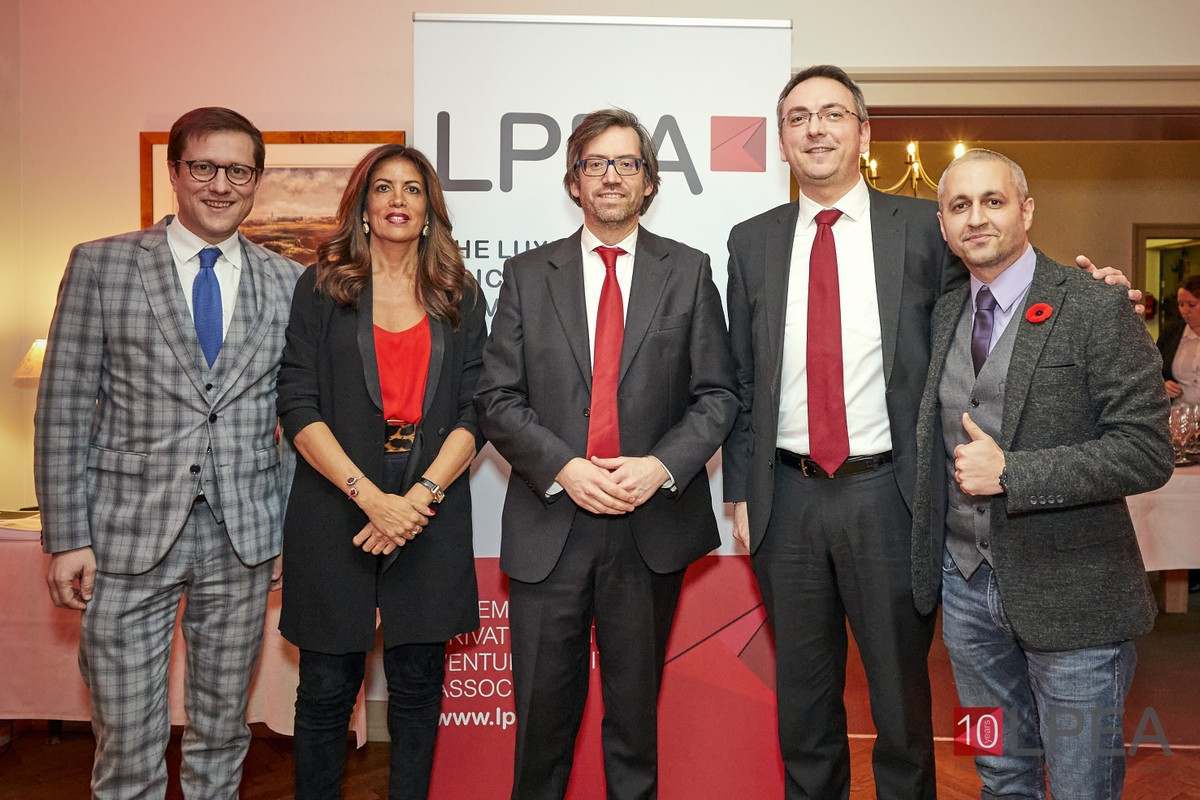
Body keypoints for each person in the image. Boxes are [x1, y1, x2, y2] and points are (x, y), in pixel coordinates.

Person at [723, 65, 1136, 799]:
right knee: (802, 704)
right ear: (781, 141)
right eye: (798, 118)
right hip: (786, 497)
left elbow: (1000, 290)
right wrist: (741, 490)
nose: (816, 129)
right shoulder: (750, 242)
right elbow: (743, 376)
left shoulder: (924, 227)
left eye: (834, 114)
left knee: (902, 704)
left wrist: (1090, 293)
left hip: (892, 495)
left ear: (864, 134)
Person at [35, 107, 303, 798]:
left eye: (238, 170)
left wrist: (285, 530)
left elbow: (297, 418)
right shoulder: (101, 265)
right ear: (175, 172)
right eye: (204, 167)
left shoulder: (288, 281)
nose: (221, 185)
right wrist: (66, 537)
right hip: (123, 537)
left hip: (243, 540)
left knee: (223, 731)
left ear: (257, 180)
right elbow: (63, 406)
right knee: (127, 736)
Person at [475, 108, 737, 800]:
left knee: (633, 728)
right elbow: (496, 396)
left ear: (649, 181)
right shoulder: (527, 274)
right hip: (550, 525)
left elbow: (717, 394)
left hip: (647, 527)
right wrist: (564, 468)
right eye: (596, 164)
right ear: (574, 181)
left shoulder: (688, 270)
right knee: (541, 727)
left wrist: (661, 466)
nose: (612, 176)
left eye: (627, 163)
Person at [911, 148, 1172, 798]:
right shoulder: (942, 314)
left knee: (1084, 783)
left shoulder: (1096, 305)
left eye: (993, 201)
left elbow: (1146, 450)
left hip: (1075, 597)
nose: (976, 218)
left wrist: (1014, 473)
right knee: (997, 773)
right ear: (943, 225)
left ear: (1026, 211)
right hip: (964, 599)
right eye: (960, 205)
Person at [276, 144, 485, 800]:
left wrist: (417, 499)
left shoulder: (458, 292)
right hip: (336, 502)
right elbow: (297, 402)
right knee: (325, 692)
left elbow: (477, 409)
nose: (398, 200)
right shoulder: (322, 287)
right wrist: (371, 498)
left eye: (413, 189)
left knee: (419, 689)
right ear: (363, 207)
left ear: (429, 210)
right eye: (384, 187)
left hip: (430, 507)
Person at [1158, 274, 1200, 406]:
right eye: (1181, 304)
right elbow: (1153, 370)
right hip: (1180, 411)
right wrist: (1163, 384)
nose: (1184, 311)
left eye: (1191, 305)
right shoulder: (1171, 333)